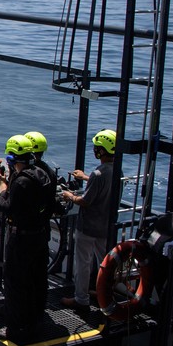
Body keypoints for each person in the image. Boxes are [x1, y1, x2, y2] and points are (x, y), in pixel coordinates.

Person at [0, 134, 56, 341]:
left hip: (22, 239)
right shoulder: (43, 174)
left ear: (12, 158)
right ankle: (34, 319)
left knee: (15, 283)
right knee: (36, 279)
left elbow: (8, 207)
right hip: (39, 236)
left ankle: (15, 329)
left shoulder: (22, 181)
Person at [61, 129, 119, 312]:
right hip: (105, 227)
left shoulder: (98, 174)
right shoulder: (117, 170)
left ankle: (81, 299)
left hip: (88, 228)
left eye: (96, 147)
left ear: (101, 150)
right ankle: (104, 295)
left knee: (83, 264)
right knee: (106, 264)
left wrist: (69, 196)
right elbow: (102, 183)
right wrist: (86, 177)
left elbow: (85, 201)